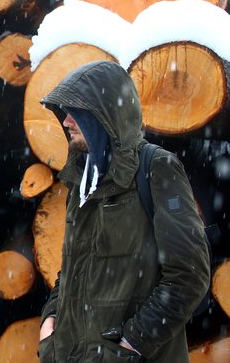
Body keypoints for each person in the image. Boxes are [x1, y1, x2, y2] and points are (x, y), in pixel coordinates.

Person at [37, 60, 210, 362]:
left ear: (104, 115)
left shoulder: (156, 168)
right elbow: (72, 270)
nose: (65, 122)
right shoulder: (82, 179)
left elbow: (189, 276)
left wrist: (131, 344)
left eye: (75, 113)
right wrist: (50, 322)